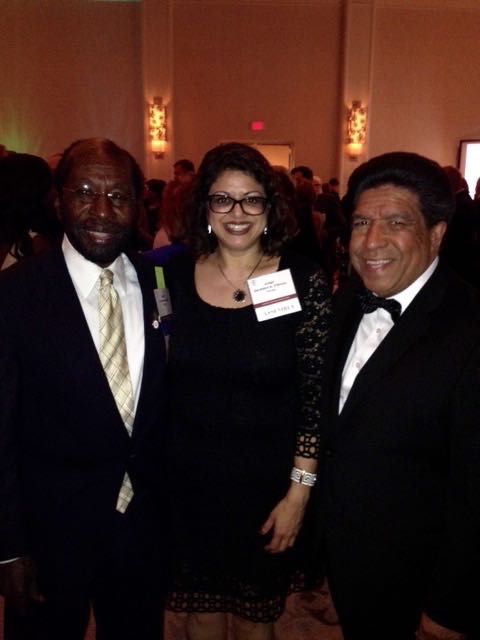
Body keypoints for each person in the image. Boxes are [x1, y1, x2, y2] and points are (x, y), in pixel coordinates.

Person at [0, 138, 169, 640]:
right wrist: (8, 547)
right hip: (48, 534)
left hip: (143, 530)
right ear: (58, 199)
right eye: (85, 192)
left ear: (138, 204)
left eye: (118, 196)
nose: (101, 211)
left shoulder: (161, 279)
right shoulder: (14, 293)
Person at [164, 142, 331, 640]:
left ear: (269, 207)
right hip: (189, 486)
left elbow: (315, 399)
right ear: (204, 207)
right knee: (201, 615)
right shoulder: (172, 277)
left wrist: (298, 494)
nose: (237, 213)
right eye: (223, 199)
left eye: (251, 199)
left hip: (268, 488)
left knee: (256, 620)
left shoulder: (302, 279)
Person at [315, 151, 480, 640]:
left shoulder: (470, 329)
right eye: (362, 222)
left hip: (416, 570)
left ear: (437, 234)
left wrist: (450, 606)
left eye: (396, 222)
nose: (371, 241)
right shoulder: (349, 297)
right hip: (348, 549)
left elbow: (475, 489)